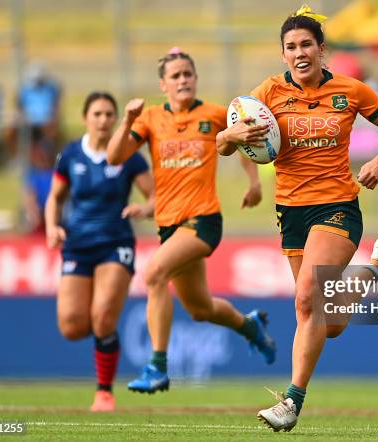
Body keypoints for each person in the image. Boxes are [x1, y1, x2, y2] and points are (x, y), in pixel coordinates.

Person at [217, 4, 378, 432]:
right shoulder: (269, 93)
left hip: (337, 208)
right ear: (283, 54)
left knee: (306, 300)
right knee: (327, 323)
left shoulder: (351, 91)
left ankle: (291, 402)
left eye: (306, 43)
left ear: (321, 48)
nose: (299, 52)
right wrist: (231, 136)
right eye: (290, 47)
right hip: (290, 212)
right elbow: (225, 140)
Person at [106, 48, 277, 395]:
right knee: (200, 309)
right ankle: (250, 326)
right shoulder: (150, 118)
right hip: (169, 226)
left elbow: (244, 139)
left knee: (154, 274)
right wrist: (127, 120)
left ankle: (157, 366)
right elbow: (114, 157)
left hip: (203, 220)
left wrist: (255, 183)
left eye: (188, 74)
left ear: (195, 79)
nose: (183, 80)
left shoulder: (214, 114)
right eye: (176, 75)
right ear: (163, 84)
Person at [45, 91, 153, 412]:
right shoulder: (70, 155)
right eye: (98, 114)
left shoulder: (129, 156)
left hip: (115, 243)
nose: (104, 120)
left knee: (104, 316)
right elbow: (55, 197)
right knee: (72, 326)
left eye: (109, 114)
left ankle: (104, 392)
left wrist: (144, 209)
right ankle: (104, 337)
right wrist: (52, 226)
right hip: (78, 244)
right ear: (85, 118)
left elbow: (156, 196)